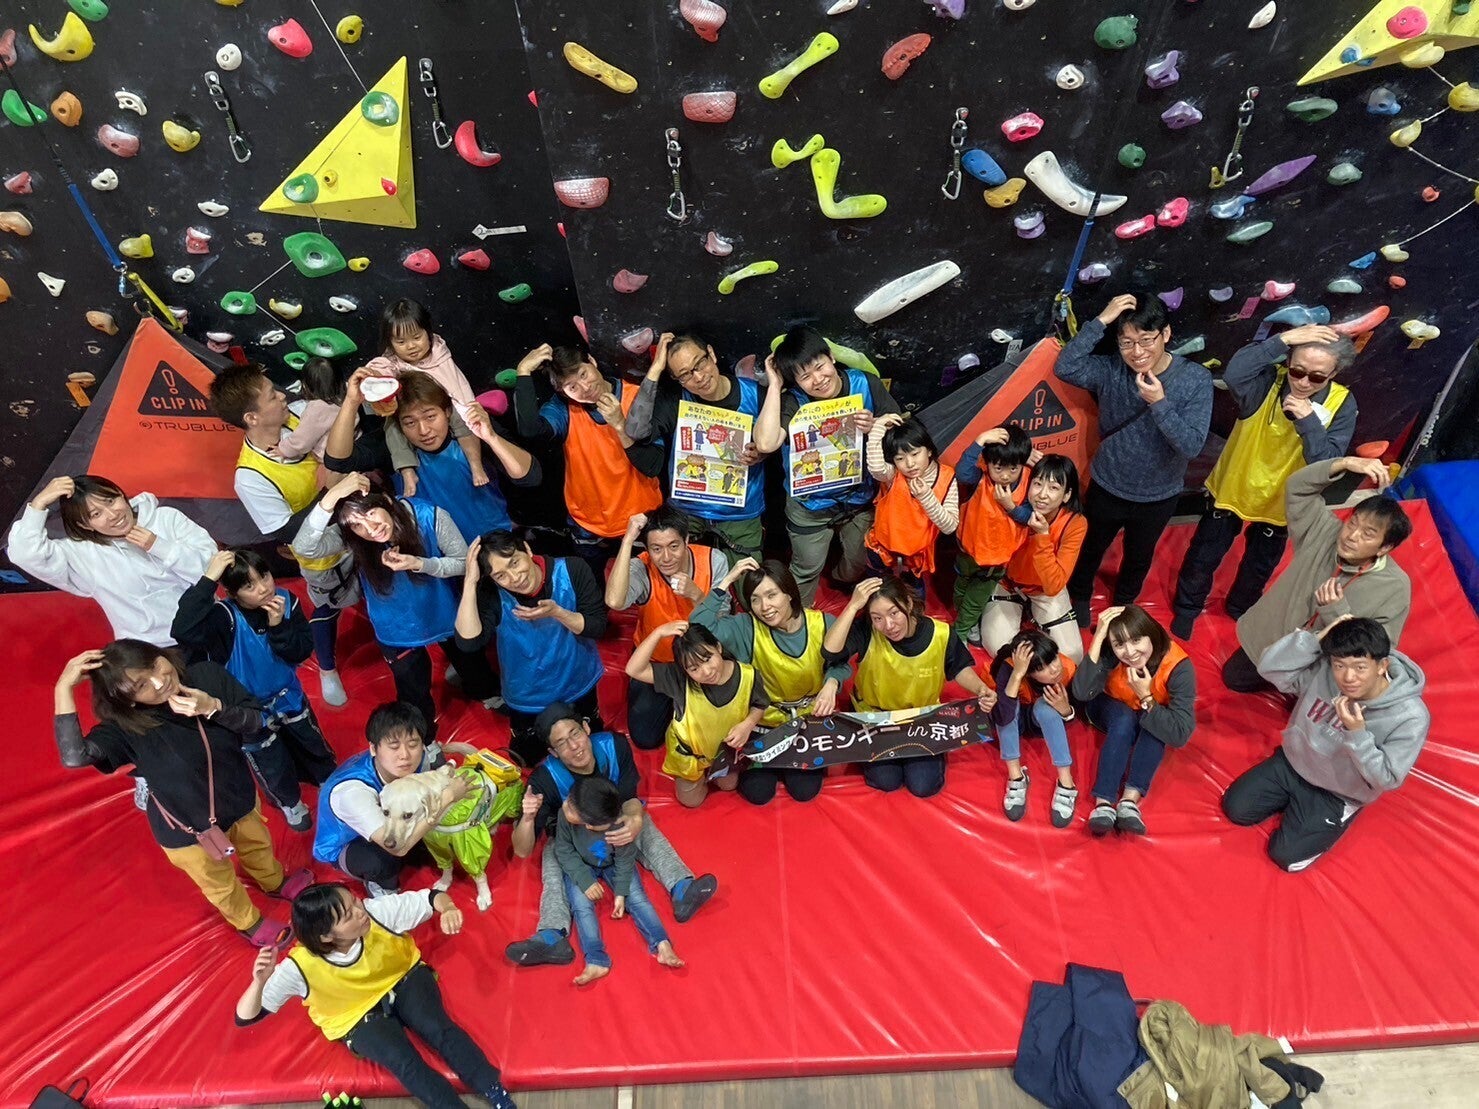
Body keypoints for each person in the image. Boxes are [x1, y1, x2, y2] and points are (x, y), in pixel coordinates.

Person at [53, 642, 309, 946]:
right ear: (128, 701)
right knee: (217, 881)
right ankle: (248, 922)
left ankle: (273, 881)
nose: (160, 681)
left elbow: (257, 721)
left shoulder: (206, 676)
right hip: (187, 829)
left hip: (238, 796)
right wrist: (63, 687)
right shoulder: (124, 728)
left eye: (155, 665)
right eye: (141, 685)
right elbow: (75, 756)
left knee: (258, 845)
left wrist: (213, 707)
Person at [236, 882, 516, 1109]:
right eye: (348, 915)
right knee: (402, 1060)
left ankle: (494, 1090)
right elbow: (247, 1016)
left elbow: (432, 898)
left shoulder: (375, 912)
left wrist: (449, 908)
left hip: (402, 976)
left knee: (437, 1027)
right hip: (355, 1015)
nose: (360, 912)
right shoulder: (299, 966)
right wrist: (258, 983)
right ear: (325, 937)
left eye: (355, 902)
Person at [1172, 324, 1358, 639]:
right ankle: (1187, 607)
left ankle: (1240, 609)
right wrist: (1283, 340)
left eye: (1316, 377)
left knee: (1259, 565)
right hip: (1236, 485)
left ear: (1334, 373)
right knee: (1205, 553)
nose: (1303, 382)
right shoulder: (1268, 381)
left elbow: (1326, 463)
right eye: (1297, 371)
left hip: (1283, 500)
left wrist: (1308, 420)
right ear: (1288, 362)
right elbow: (1235, 374)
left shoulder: (1342, 402)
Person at [505, 703, 718, 967]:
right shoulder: (544, 780)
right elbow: (522, 850)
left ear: (586, 728)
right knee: (553, 859)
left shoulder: (614, 746)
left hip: (612, 819)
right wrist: (527, 818)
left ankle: (682, 887)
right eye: (561, 743)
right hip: (569, 835)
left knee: (641, 821)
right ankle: (552, 935)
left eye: (575, 734)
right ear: (553, 752)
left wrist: (634, 819)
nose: (574, 746)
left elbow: (630, 799)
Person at [295, 473, 499, 741]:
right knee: (412, 691)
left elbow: (463, 562)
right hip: (395, 624)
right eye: (357, 524)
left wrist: (420, 563)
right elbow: (304, 547)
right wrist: (331, 497)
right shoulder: (352, 535)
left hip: (444, 611)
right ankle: (425, 741)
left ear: (387, 501)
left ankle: (486, 693)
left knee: (471, 663)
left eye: (371, 514)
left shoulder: (428, 516)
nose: (370, 529)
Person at [1054, 294, 1213, 626]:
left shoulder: (1194, 379)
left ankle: (1124, 605)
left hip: (1159, 494)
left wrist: (1160, 403)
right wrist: (1102, 320)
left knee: (1138, 558)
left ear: (1165, 334)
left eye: (1146, 340)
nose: (1137, 352)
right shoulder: (1112, 369)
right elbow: (1065, 366)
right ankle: (1079, 595)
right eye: (1127, 342)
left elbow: (1191, 446)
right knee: (1090, 547)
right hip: (1108, 483)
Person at [1222, 616, 1429, 872]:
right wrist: (1314, 639)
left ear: (1381, 666)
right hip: (1293, 763)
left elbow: (1386, 779)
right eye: (1339, 665)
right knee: (1235, 809)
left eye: (1360, 667)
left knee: (1285, 857)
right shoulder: (1327, 673)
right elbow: (1268, 669)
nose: (1348, 677)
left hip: (1337, 793)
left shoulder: (1410, 716)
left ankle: (1335, 817)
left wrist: (1357, 734)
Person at [209, 363, 356, 706]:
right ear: (252, 418)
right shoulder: (250, 477)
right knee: (328, 605)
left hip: (360, 525)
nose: (283, 395)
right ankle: (327, 669)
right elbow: (287, 530)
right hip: (322, 554)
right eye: (272, 395)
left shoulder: (302, 414)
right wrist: (332, 492)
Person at [171, 549, 337, 831]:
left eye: (264, 576)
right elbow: (182, 629)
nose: (263, 588)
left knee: (310, 741)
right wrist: (209, 579)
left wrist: (279, 627)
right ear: (232, 593)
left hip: (287, 695)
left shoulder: (286, 600)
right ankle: (290, 802)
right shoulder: (224, 617)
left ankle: (327, 780)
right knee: (269, 759)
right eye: (249, 586)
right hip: (248, 708)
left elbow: (300, 651)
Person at [1223, 457, 1412, 694]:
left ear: (1385, 547)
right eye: (1352, 524)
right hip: (1271, 641)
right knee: (1233, 679)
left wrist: (1336, 613)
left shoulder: (1394, 586)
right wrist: (1344, 463)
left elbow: (1378, 649)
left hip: (1323, 668)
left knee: (1313, 706)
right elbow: (1297, 488)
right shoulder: (1325, 532)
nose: (1352, 536)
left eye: (1367, 534)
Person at [752, 326, 900, 605]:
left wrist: (875, 426)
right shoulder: (793, 401)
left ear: (831, 357)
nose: (818, 380)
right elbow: (766, 443)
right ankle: (797, 618)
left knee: (858, 562)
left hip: (860, 498)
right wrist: (774, 385)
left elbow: (902, 433)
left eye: (820, 367)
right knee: (806, 567)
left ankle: (840, 577)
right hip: (809, 505)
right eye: (805, 376)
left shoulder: (865, 383)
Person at [690, 557, 852, 804]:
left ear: (789, 594)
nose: (764, 606)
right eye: (755, 599)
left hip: (806, 720)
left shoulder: (823, 623)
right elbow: (698, 624)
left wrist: (832, 683)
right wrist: (728, 579)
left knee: (805, 791)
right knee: (758, 793)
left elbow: (840, 663)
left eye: (771, 595)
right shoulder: (746, 627)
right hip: (762, 721)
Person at [823, 577, 997, 798]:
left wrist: (980, 688)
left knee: (923, 786)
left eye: (894, 613)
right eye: (877, 618)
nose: (888, 625)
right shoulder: (868, 630)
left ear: (908, 603)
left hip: (921, 719)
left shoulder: (941, 634)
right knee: (887, 781)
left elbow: (959, 667)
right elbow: (830, 652)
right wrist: (853, 606)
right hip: (875, 718)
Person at [512, 341, 665, 579]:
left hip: (640, 516)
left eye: (583, 374)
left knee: (648, 582)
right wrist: (523, 372)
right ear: (563, 392)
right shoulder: (565, 409)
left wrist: (620, 425)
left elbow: (653, 465)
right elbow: (530, 429)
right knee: (592, 580)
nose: (585, 388)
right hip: (587, 520)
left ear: (592, 362)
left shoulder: (637, 397)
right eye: (572, 386)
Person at [338, 368, 538, 550]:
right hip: (443, 559)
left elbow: (530, 477)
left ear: (447, 411)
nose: (424, 430)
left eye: (430, 417)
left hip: (497, 546)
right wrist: (351, 402)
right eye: (410, 423)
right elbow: (338, 461)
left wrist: (491, 437)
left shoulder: (472, 434)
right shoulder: (392, 449)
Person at [454, 530, 607, 766]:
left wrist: (559, 613)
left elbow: (597, 626)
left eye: (514, 563)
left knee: (590, 743)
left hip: (578, 680)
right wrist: (470, 582)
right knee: (526, 757)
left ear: (527, 549)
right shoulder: (492, 593)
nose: (515, 578)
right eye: (501, 575)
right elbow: (468, 642)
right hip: (527, 693)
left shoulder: (572, 569)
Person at [8, 474, 215, 647]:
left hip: (212, 626)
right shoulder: (82, 553)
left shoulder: (166, 519)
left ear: (121, 494)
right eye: (96, 514)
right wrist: (38, 505)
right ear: (85, 525)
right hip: (152, 649)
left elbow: (213, 569)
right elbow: (24, 554)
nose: (113, 514)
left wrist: (158, 546)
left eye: (110, 501)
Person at [625, 333, 774, 560]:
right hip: (687, 509)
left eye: (700, 363)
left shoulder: (756, 394)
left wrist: (761, 453)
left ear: (711, 354)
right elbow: (635, 430)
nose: (698, 377)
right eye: (685, 374)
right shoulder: (676, 398)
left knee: (748, 576)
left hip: (740, 510)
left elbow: (779, 441)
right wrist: (655, 369)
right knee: (677, 573)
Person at [314, 701, 474, 894]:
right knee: (383, 860)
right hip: (347, 842)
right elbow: (397, 847)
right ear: (373, 749)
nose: (405, 755)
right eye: (394, 746)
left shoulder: (415, 761)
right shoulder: (352, 792)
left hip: (395, 818)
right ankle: (380, 885)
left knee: (434, 834)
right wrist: (448, 797)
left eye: (413, 744)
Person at [606, 507, 730, 750]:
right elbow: (614, 601)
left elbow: (723, 621)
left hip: (702, 658)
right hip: (658, 662)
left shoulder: (714, 560)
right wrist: (628, 540)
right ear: (647, 549)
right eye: (656, 549)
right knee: (645, 737)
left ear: (686, 540)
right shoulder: (641, 566)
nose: (666, 557)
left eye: (674, 546)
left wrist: (695, 594)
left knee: (720, 731)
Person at [1071, 605, 1196, 836]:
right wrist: (1099, 638)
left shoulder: (1179, 667)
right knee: (1124, 719)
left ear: (1151, 635)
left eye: (1137, 640)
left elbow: (1179, 734)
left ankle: (1129, 801)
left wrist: (1146, 697)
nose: (1130, 652)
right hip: (1109, 707)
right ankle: (1103, 802)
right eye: (1120, 644)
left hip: (1147, 709)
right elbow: (1081, 692)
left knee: (1156, 726)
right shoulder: (1110, 652)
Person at [555, 776, 685, 986]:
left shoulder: (618, 824)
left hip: (613, 864)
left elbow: (624, 859)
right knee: (581, 905)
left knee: (637, 898)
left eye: (571, 807)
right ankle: (595, 959)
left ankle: (662, 944)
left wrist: (621, 893)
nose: (565, 806)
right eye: (569, 802)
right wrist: (585, 881)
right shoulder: (566, 814)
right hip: (581, 865)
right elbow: (563, 850)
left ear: (590, 825)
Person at [626, 622, 770, 807]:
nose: (707, 672)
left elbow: (760, 704)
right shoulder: (679, 679)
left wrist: (748, 724)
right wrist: (658, 633)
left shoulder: (748, 675)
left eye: (708, 658)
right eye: (694, 669)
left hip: (725, 753)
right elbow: (633, 670)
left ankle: (713, 773)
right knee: (692, 801)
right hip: (690, 755)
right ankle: (698, 778)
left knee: (729, 785)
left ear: (718, 647)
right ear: (685, 670)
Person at [365, 298, 493, 497]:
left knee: (464, 418)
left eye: (417, 337)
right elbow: (380, 369)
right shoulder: (391, 362)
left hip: (447, 406)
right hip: (412, 410)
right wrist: (373, 377)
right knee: (392, 428)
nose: (411, 346)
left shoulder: (439, 352)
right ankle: (407, 472)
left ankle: (476, 465)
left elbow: (457, 388)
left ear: (428, 333)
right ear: (390, 343)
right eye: (401, 342)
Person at [978, 454, 1088, 662]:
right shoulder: (1011, 501)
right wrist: (1021, 454)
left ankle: (1036, 625)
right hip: (1007, 584)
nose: (1042, 495)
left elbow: (1054, 586)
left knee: (1071, 656)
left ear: (1066, 495)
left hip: (1044, 590)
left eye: (1053, 488)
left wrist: (1042, 535)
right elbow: (987, 464)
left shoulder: (1075, 523)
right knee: (1000, 649)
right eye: (1037, 484)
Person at [952, 424, 1036, 643]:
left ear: (1023, 463)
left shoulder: (1030, 482)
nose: (1005, 475)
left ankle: (960, 632)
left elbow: (1030, 516)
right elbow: (962, 473)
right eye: (998, 468)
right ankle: (967, 622)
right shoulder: (979, 477)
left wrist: (1010, 506)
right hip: (968, 551)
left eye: (1013, 469)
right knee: (961, 587)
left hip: (996, 561)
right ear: (987, 463)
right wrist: (980, 440)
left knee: (976, 598)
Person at [988, 630, 1079, 826]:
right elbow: (1002, 717)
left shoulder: (1068, 668)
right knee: (1009, 703)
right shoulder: (1008, 669)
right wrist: (1017, 674)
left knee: (1045, 707)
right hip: (1015, 720)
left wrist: (1065, 711)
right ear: (1029, 672)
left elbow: (1078, 712)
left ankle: (1066, 782)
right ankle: (1016, 777)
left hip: (1039, 720)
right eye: (1041, 668)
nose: (1053, 669)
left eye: (1053, 659)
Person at [863, 414, 959, 595]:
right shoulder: (893, 474)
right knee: (877, 594)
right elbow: (876, 468)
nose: (910, 463)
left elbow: (950, 526)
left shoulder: (946, 477)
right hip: (881, 549)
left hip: (915, 558)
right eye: (900, 458)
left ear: (928, 450)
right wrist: (878, 427)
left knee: (915, 597)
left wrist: (926, 497)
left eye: (915, 454)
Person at [269, 357, 345, 463]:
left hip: (332, 456)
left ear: (306, 386)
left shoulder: (317, 409)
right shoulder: (346, 396)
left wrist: (284, 450)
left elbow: (303, 439)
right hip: (353, 445)